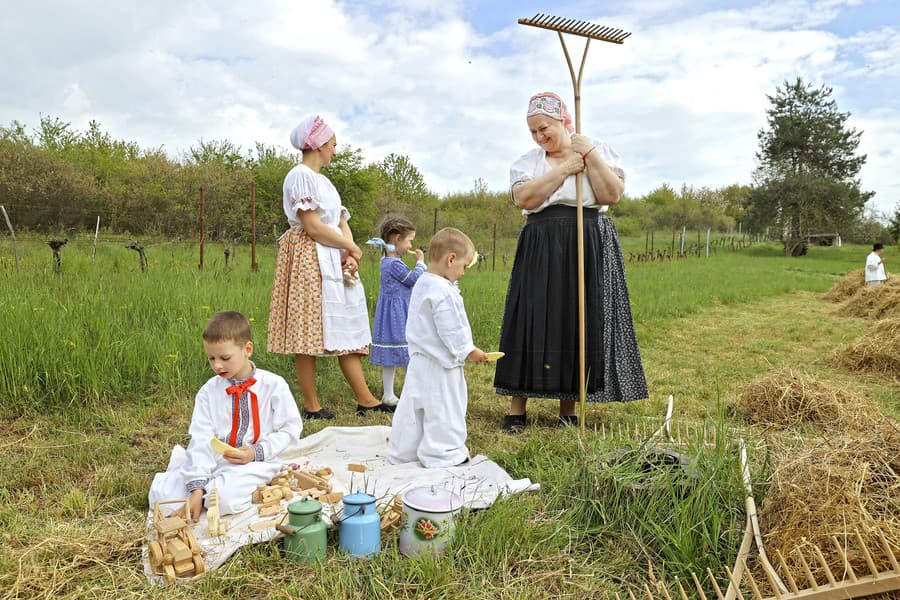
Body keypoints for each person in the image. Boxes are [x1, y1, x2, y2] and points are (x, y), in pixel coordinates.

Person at [494, 92, 648, 433]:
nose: (539, 137)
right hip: (542, 239)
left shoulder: (598, 150)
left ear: (564, 121)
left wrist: (588, 155)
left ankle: (569, 409)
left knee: (578, 317)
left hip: (588, 237)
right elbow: (526, 197)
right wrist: (565, 168)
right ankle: (517, 409)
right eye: (533, 131)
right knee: (530, 317)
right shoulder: (528, 162)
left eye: (544, 128)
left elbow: (611, 195)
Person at [267, 114, 393, 419]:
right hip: (308, 257)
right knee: (307, 329)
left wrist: (349, 253)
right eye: (333, 144)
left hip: (332, 255)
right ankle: (312, 405)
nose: (335, 151)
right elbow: (312, 226)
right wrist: (348, 246)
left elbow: (338, 221)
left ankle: (366, 399)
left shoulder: (324, 182)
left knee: (346, 324)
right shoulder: (299, 176)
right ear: (319, 144)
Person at [148, 311, 303, 519]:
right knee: (163, 499)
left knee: (221, 501)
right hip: (215, 459)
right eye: (211, 358)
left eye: (225, 358)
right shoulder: (208, 392)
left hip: (256, 462)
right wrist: (196, 488)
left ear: (247, 349)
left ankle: (210, 493)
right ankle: (201, 490)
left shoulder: (274, 385)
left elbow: (290, 430)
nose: (217, 365)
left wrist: (254, 452)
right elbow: (202, 438)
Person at [387, 227, 488, 467]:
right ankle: (444, 454)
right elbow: (450, 328)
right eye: (464, 266)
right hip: (442, 365)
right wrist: (469, 351)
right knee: (444, 411)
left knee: (412, 411)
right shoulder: (443, 292)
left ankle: (404, 451)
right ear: (451, 259)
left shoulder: (423, 282)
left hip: (420, 362)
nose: (463, 273)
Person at [366, 216, 427, 406]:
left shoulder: (387, 261)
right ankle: (405, 392)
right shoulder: (393, 264)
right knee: (406, 351)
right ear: (397, 238)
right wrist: (421, 264)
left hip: (394, 311)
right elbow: (412, 279)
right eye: (409, 240)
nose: (410, 245)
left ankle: (393, 392)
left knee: (395, 355)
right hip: (397, 314)